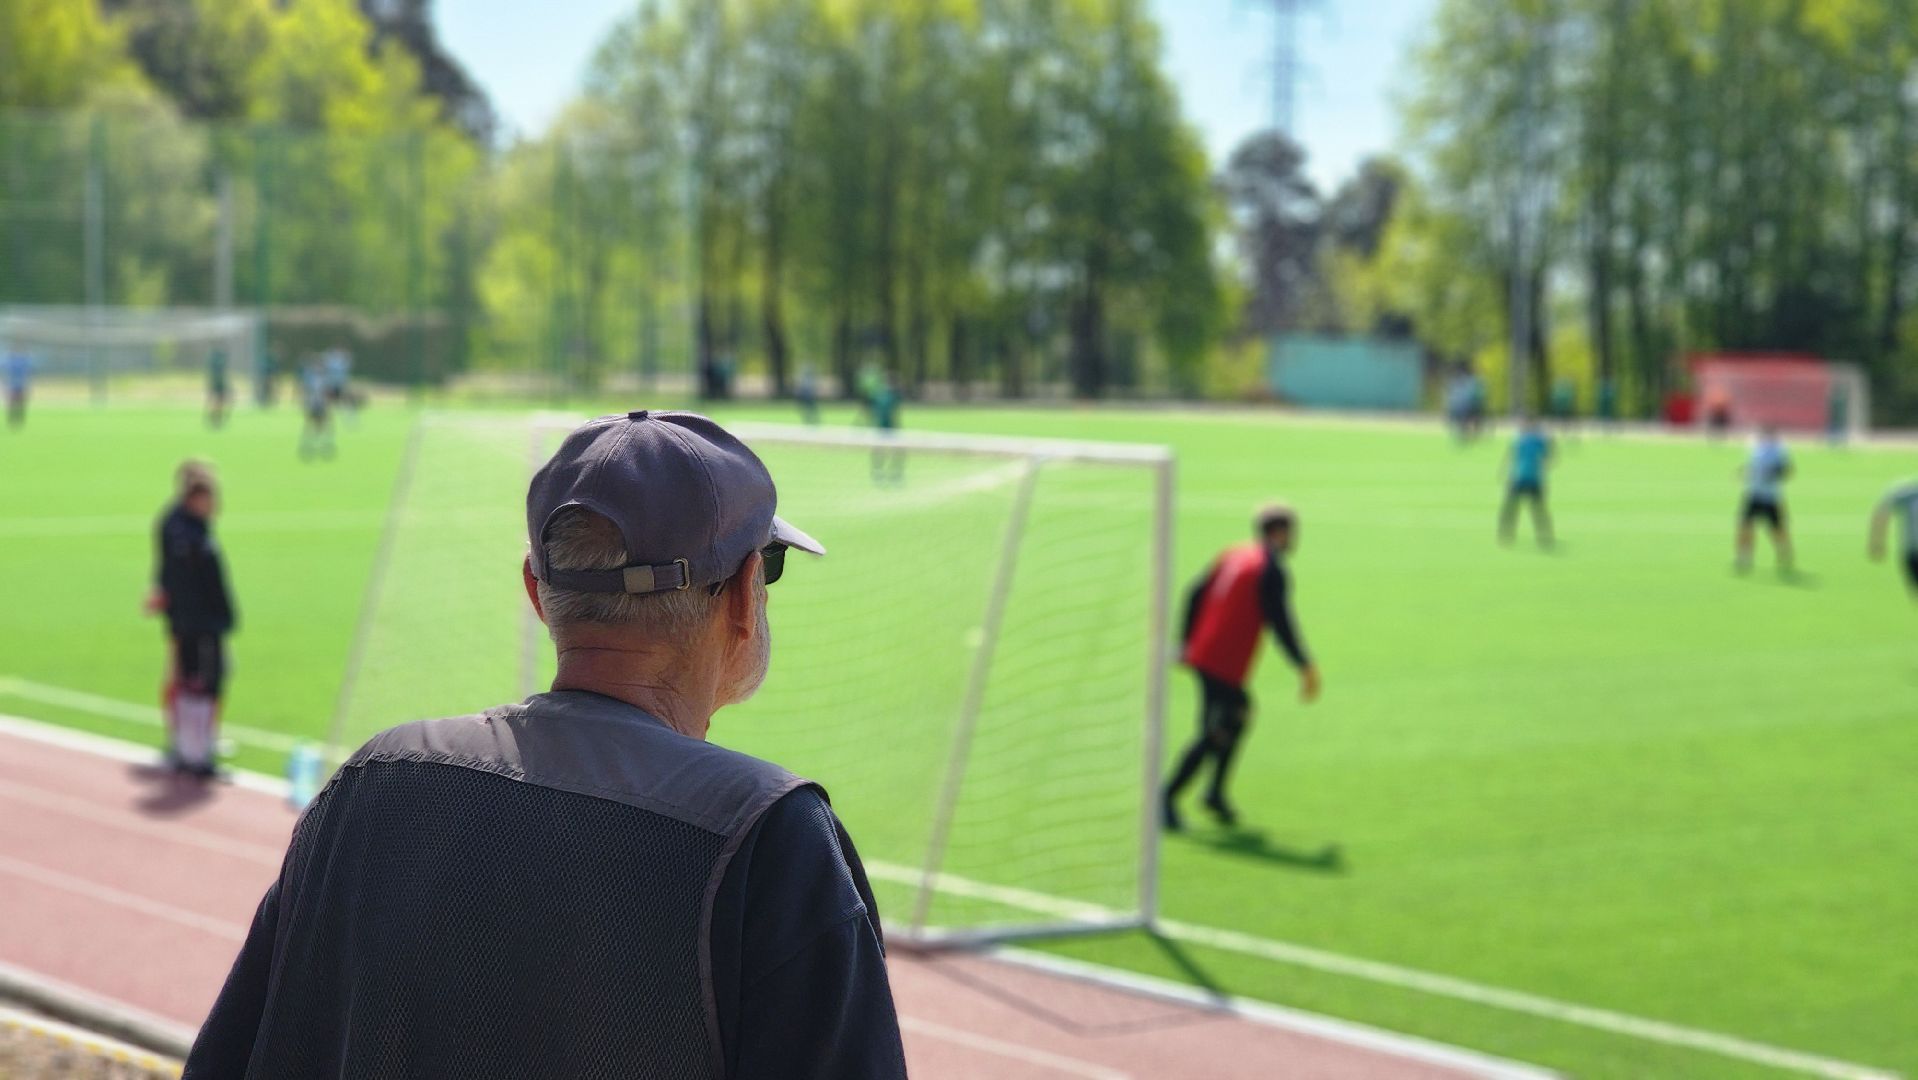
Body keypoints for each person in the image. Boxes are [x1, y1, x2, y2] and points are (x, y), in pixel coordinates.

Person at [185, 410, 907, 1080]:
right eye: (769, 569)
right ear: (749, 595)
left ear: (537, 591)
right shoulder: (772, 842)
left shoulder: (369, 786)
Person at [1162, 504, 1320, 831]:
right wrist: (1304, 664)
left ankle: (1214, 793)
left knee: (1239, 715)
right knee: (1215, 729)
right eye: (1292, 531)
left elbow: (1194, 593)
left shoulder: (1234, 554)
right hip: (1221, 660)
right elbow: (1280, 622)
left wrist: (1184, 641)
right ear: (1279, 532)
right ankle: (1165, 798)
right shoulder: (1270, 569)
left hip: (1206, 652)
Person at [145, 461, 236, 779]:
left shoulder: (181, 527)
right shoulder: (189, 537)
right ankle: (192, 749)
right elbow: (179, 576)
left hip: (186, 618)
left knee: (189, 680)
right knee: (194, 681)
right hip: (195, 622)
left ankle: (192, 744)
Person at [1736, 425, 1794, 575]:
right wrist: (1745, 472)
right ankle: (1745, 556)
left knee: (1776, 528)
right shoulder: (1756, 449)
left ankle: (1784, 551)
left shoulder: (1779, 451)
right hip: (1754, 494)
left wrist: (1773, 474)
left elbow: (1787, 470)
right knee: (1745, 525)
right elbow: (1754, 467)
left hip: (1770, 496)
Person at [1499, 416, 1555, 547]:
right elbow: (1549, 458)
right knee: (1535, 509)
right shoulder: (1538, 440)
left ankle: (1507, 534)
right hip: (1530, 478)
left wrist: (1505, 472)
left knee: (1514, 508)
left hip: (1522, 478)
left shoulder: (1522, 440)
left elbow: (1511, 456)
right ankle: (1543, 536)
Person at [1868, 478, 1918, 595]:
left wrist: (1876, 541)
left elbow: (1881, 513)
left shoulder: (1906, 492)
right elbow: (1882, 514)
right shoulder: (1907, 492)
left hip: (1912, 551)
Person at [867, 371, 904, 485]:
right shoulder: (879, 395)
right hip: (881, 429)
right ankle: (878, 472)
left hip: (891, 428)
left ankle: (895, 473)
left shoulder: (894, 395)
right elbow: (873, 410)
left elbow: (896, 411)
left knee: (896, 452)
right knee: (879, 452)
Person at [298, 359, 334, 460]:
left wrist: (328, 404)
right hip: (313, 404)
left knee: (323, 424)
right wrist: (305, 402)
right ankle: (308, 444)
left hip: (322, 404)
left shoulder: (326, 379)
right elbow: (306, 392)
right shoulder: (310, 378)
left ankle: (325, 444)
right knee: (310, 423)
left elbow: (328, 394)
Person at [4, 342, 32, 430]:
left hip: (19, 385)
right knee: (14, 403)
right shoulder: (15, 360)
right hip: (14, 385)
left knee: (19, 403)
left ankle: (17, 420)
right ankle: (14, 420)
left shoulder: (18, 360)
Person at [206, 348, 231, 428]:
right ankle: (215, 418)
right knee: (217, 402)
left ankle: (216, 418)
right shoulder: (216, 362)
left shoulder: (216, 361)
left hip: (219, 384)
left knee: (220, 402)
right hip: (216, 384)